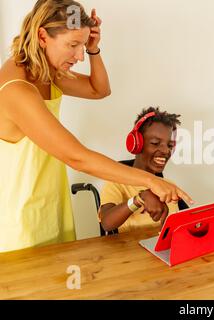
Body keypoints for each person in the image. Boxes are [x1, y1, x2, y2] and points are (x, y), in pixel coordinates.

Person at [0, 0, 192, 253]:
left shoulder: (46, 73)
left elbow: (99, 89)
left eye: (82, 44)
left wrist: (94, 49)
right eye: (72, 45)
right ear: (42, 36)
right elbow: (77, 157)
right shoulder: (17, 89)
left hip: (51, 203)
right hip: (21, 220)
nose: (79, 56)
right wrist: (151, 181)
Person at [98, 107, 189, 234]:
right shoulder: (116, 183)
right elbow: (107, 223)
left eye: (170, 146)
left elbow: (187, 222)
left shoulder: (167, 185)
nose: (165, 151)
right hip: (131, 251)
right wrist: (139, 199)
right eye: (155, 143)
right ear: (136, 144)